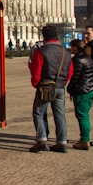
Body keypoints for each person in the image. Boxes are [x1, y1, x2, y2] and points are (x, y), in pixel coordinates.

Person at [28, 25, 72, 153]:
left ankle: (42, 140)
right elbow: (70, 71)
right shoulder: (66, 52)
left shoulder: (41, 52)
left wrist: (36, 84)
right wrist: (62, 82)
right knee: (60, 115)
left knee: (38, 113)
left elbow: (36, 71)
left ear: (44, 37)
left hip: (45, 86)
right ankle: (62, 142)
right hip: (60, 87)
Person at [67, 39, 93, 150]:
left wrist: (70, 88)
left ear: (75, 47)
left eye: (71, 47)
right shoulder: (88, 58)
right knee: (85, 114)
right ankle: (84, 138)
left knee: (82, 116)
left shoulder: (78, 60)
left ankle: (85, 140)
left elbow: (75, 76)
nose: (71, 49)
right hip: (92, 88)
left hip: (83, 90)